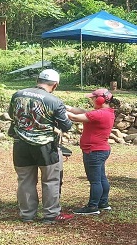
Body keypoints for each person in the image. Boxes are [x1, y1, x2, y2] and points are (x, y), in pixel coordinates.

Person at [7, 68, 73, 224]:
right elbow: (66, 125)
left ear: (37, 80)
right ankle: (51, 214)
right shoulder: (54, 101)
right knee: (50, 180)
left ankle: (27, 215)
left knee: (25, 180)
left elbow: (11, 114)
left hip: (20, 144)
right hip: (45, 146)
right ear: (55, 85)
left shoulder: (17, 94)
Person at [66, 88, 117, 215]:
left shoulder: (99, 114)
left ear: (100, 99)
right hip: (101, 150)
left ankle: (93, 206)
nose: (92, 100)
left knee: (95, 181)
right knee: (101, 178)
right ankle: (103, 203)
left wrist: (56, 110)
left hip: (93, 151)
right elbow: (83, 111)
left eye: (93, 98)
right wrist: (67, 107)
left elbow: (74, 117)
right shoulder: (106, 112)